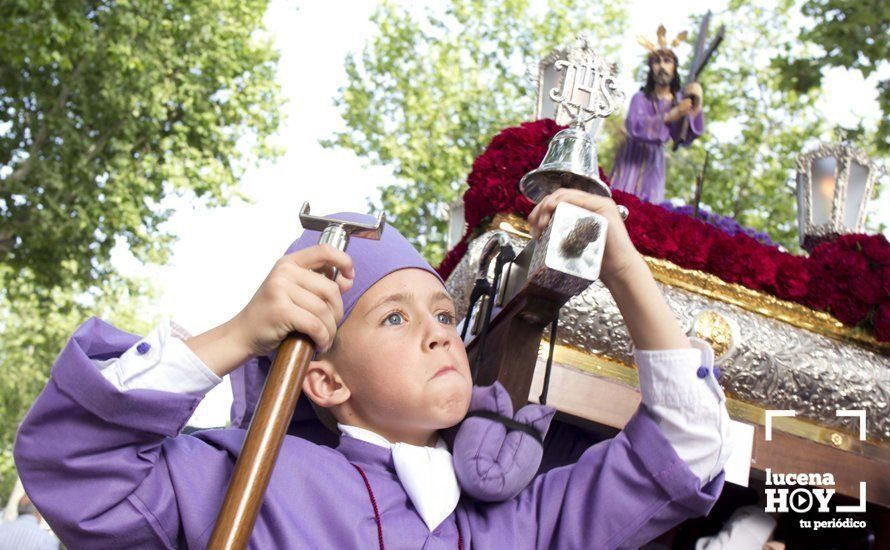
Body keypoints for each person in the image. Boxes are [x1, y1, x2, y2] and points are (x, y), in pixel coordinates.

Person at [15, 190, 732, 548]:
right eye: (395, 317)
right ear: (324, 381)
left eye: (444, 315)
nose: (437, 334)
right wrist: (239, 334)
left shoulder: (517, 523)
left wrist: (626, 269)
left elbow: (687, 450)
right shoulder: (244, 479)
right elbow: (76, 464)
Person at [610, 26, 705, 203]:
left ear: (674, 67)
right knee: (619, 202)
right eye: (657, 62)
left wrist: (696, 106)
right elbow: (635, 127)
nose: (662, 66)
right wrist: (670, 116)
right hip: (631, 158)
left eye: (667, 61)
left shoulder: (679, 100)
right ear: (651, 68)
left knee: (648, 213)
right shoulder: (640, 98)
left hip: (654, 164)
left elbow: (683, 137)